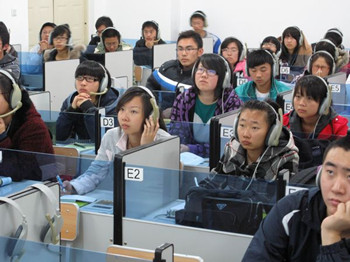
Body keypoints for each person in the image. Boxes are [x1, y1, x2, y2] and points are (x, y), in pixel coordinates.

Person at [243, 134, 350, 261]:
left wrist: (331, 235)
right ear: (320, 174)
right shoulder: (291, 210)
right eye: (330, 172)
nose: (337, 188)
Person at [62, 86, 170, 195]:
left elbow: (161, 186)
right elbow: (96, 172)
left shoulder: (165, 142)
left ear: (151, 116)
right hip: (122, 202)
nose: (124, 117)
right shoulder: (112, 136)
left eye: (133, 111)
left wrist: (146, 149)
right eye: (122, 109)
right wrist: (73, 187)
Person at [169, 53, 242, 158]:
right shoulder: (183, 99)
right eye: (200, 70)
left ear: (224, 77)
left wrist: (192, 149)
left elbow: (228, 144)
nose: (203, 75)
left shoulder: (232, 102)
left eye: (211, 71)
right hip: (187, 159)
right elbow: (176, 134)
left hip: (222, 160)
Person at [212, 99, 299, 180]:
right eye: (242, 125)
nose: (245, 134)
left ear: (272, 132)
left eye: (254, 128)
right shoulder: (232, 147)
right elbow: (213, 183)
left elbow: (285, 195)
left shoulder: (286, 157)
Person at [0, 70, 54, 181]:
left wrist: (2, 138)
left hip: (35, 191)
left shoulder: (34, 127)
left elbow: (19, 173)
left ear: (13, 97)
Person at [56, 60, 119, 142]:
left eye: (90, 79)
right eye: (79, 78)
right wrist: (71, 110)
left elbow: (105, 140)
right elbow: (58, 136)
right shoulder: (71, 100)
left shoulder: (114, 105)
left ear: (103, 83)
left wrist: (89, 109)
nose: (83, 83)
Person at [146, 30, 204, 116]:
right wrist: (156, 110)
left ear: (200, 51)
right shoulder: (167, 69)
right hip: (164, 122)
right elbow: (149, 90)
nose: (184, 53)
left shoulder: (205, 75)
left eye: (189, 49)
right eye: (180, 49)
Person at [283, 75, 348, 140]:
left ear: (323, 102)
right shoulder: (283, 123)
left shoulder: (338, 127)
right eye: (298, 96)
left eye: (309, 98)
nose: (301, 103)